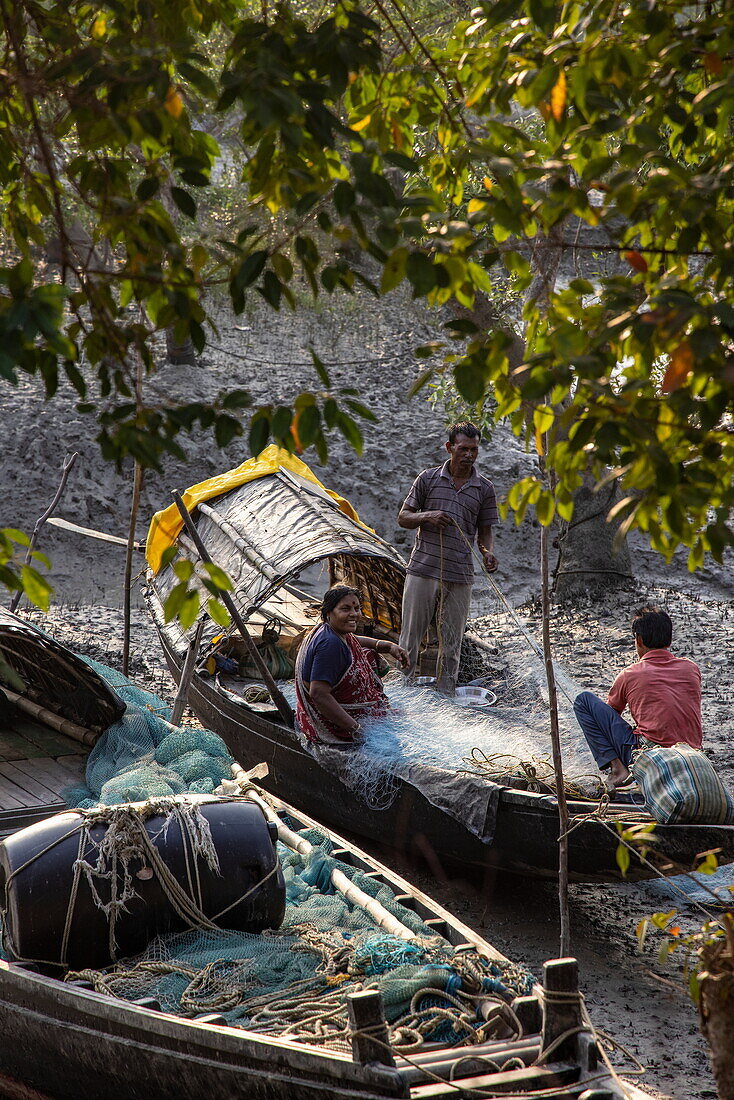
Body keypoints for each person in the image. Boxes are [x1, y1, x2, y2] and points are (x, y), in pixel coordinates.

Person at [397, 422, 498, 694]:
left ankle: (447, 698)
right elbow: (404, 517)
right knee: (410, 640)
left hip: (460, 574)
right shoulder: (427, 479)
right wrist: (427, 516)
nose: (469, 455)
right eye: (463, 449)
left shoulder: (484, 488)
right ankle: (401, 695)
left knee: (451, 644)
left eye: (474, 450)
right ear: (449, 447)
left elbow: (484, 533)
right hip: (423, 569)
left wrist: (487, 553)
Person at [574, 607, 702, 789]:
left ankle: (618, 770)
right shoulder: (691, 669)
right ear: (670, 639)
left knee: (583, 701)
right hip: (692, 755)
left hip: (650, 755)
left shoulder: (630, 674)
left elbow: (610, 715)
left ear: (639, 640)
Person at [295, 585, 409, 745]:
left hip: (337, 712)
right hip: (332, 727)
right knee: (405, 726)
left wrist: (388, 646)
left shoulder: (332, 631)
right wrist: (356, 729)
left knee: (369, 653)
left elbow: (355, 639)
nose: (354, 614)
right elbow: (319, 694)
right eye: (345, 609)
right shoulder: (330, 645)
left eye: (357, 608)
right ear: (329, 613)